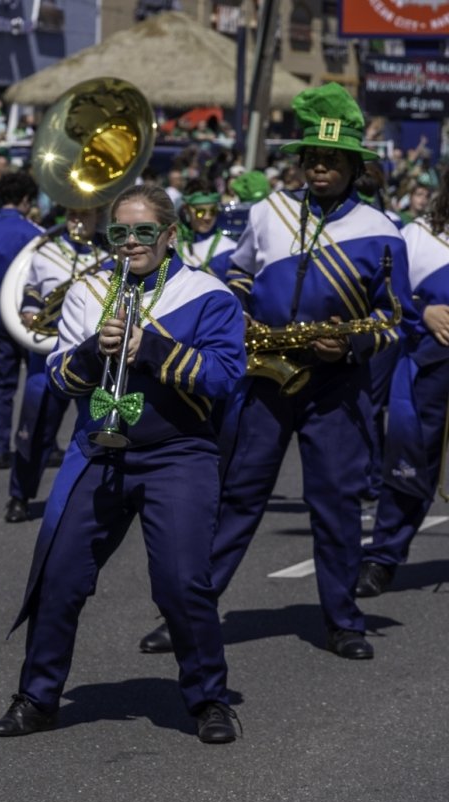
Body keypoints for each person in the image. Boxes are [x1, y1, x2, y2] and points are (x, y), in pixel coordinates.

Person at [138, 84, 416, 661]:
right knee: (237, 495)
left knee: (335, 502)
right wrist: (234, 312)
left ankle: (343, 619)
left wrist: (352, 345)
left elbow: (396, 319)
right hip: (263, 374)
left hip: (335, 383)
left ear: (353, 166)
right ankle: (190, 614)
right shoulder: (268, 212)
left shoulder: (383, 230)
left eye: (332, 159)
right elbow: (237, 274)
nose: (320, 167)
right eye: (312, 157)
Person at [0, 184, 244, 744]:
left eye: (143, 232)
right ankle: (38, 697)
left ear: (170, 235)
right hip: (97, 450)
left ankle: (209, 700)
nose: (129, 243)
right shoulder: (89, 292)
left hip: (179, 452)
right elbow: (57, 378)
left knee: (181, 583)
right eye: (119, 232)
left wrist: (149, 349)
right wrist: (89, 353)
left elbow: (226, 376)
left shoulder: (207, 294)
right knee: (58, 576)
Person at [357, 167, 449, 597]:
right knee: (411, 460)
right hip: (429, 367)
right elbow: (387, 296)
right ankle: (383, 557)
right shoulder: (420, 235)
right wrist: (423, 310)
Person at [4, 205, 110, 523]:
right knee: (34, 425)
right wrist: (29, 310)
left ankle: (97, 495)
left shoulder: (111, 253)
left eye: (85, 215)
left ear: (97, 218)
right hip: (50, 353)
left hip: (93, 354)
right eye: (73, 215)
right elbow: (33, 289)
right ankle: (19, 495)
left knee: (99, 424)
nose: (77, 221)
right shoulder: (45, 252)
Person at [0, 170, 41, 469]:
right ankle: (34, 441)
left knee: (2, 382)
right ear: (26, 199)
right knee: (36, 380)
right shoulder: (33, 232)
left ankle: (0, 446)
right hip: (28, 311)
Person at [176, 179, 234, 280]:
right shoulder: (173, 246)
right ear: (186, 209)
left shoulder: (230, 250)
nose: (207, 217)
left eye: (213, 211)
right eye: (200, 212)